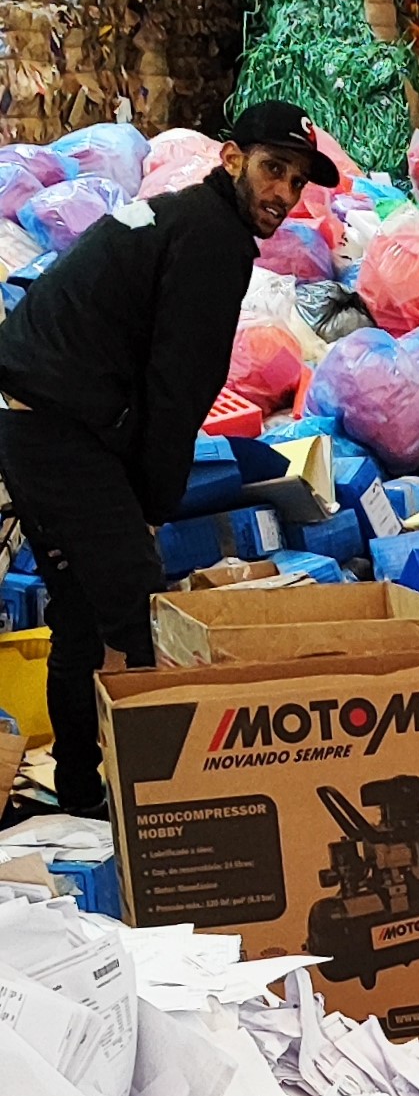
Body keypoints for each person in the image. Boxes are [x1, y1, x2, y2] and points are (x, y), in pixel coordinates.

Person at [0, 100, 338, 815]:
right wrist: (152, 504)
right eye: (273, 169)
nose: (283, 193)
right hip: (60, 427)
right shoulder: (213, 238)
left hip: (36, 419)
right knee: (135, 609)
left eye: (298, 181)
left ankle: (84, 791)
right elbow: (179, 386)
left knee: (81, 612)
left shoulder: (186, 215)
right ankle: (157, 801)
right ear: (231, 158)